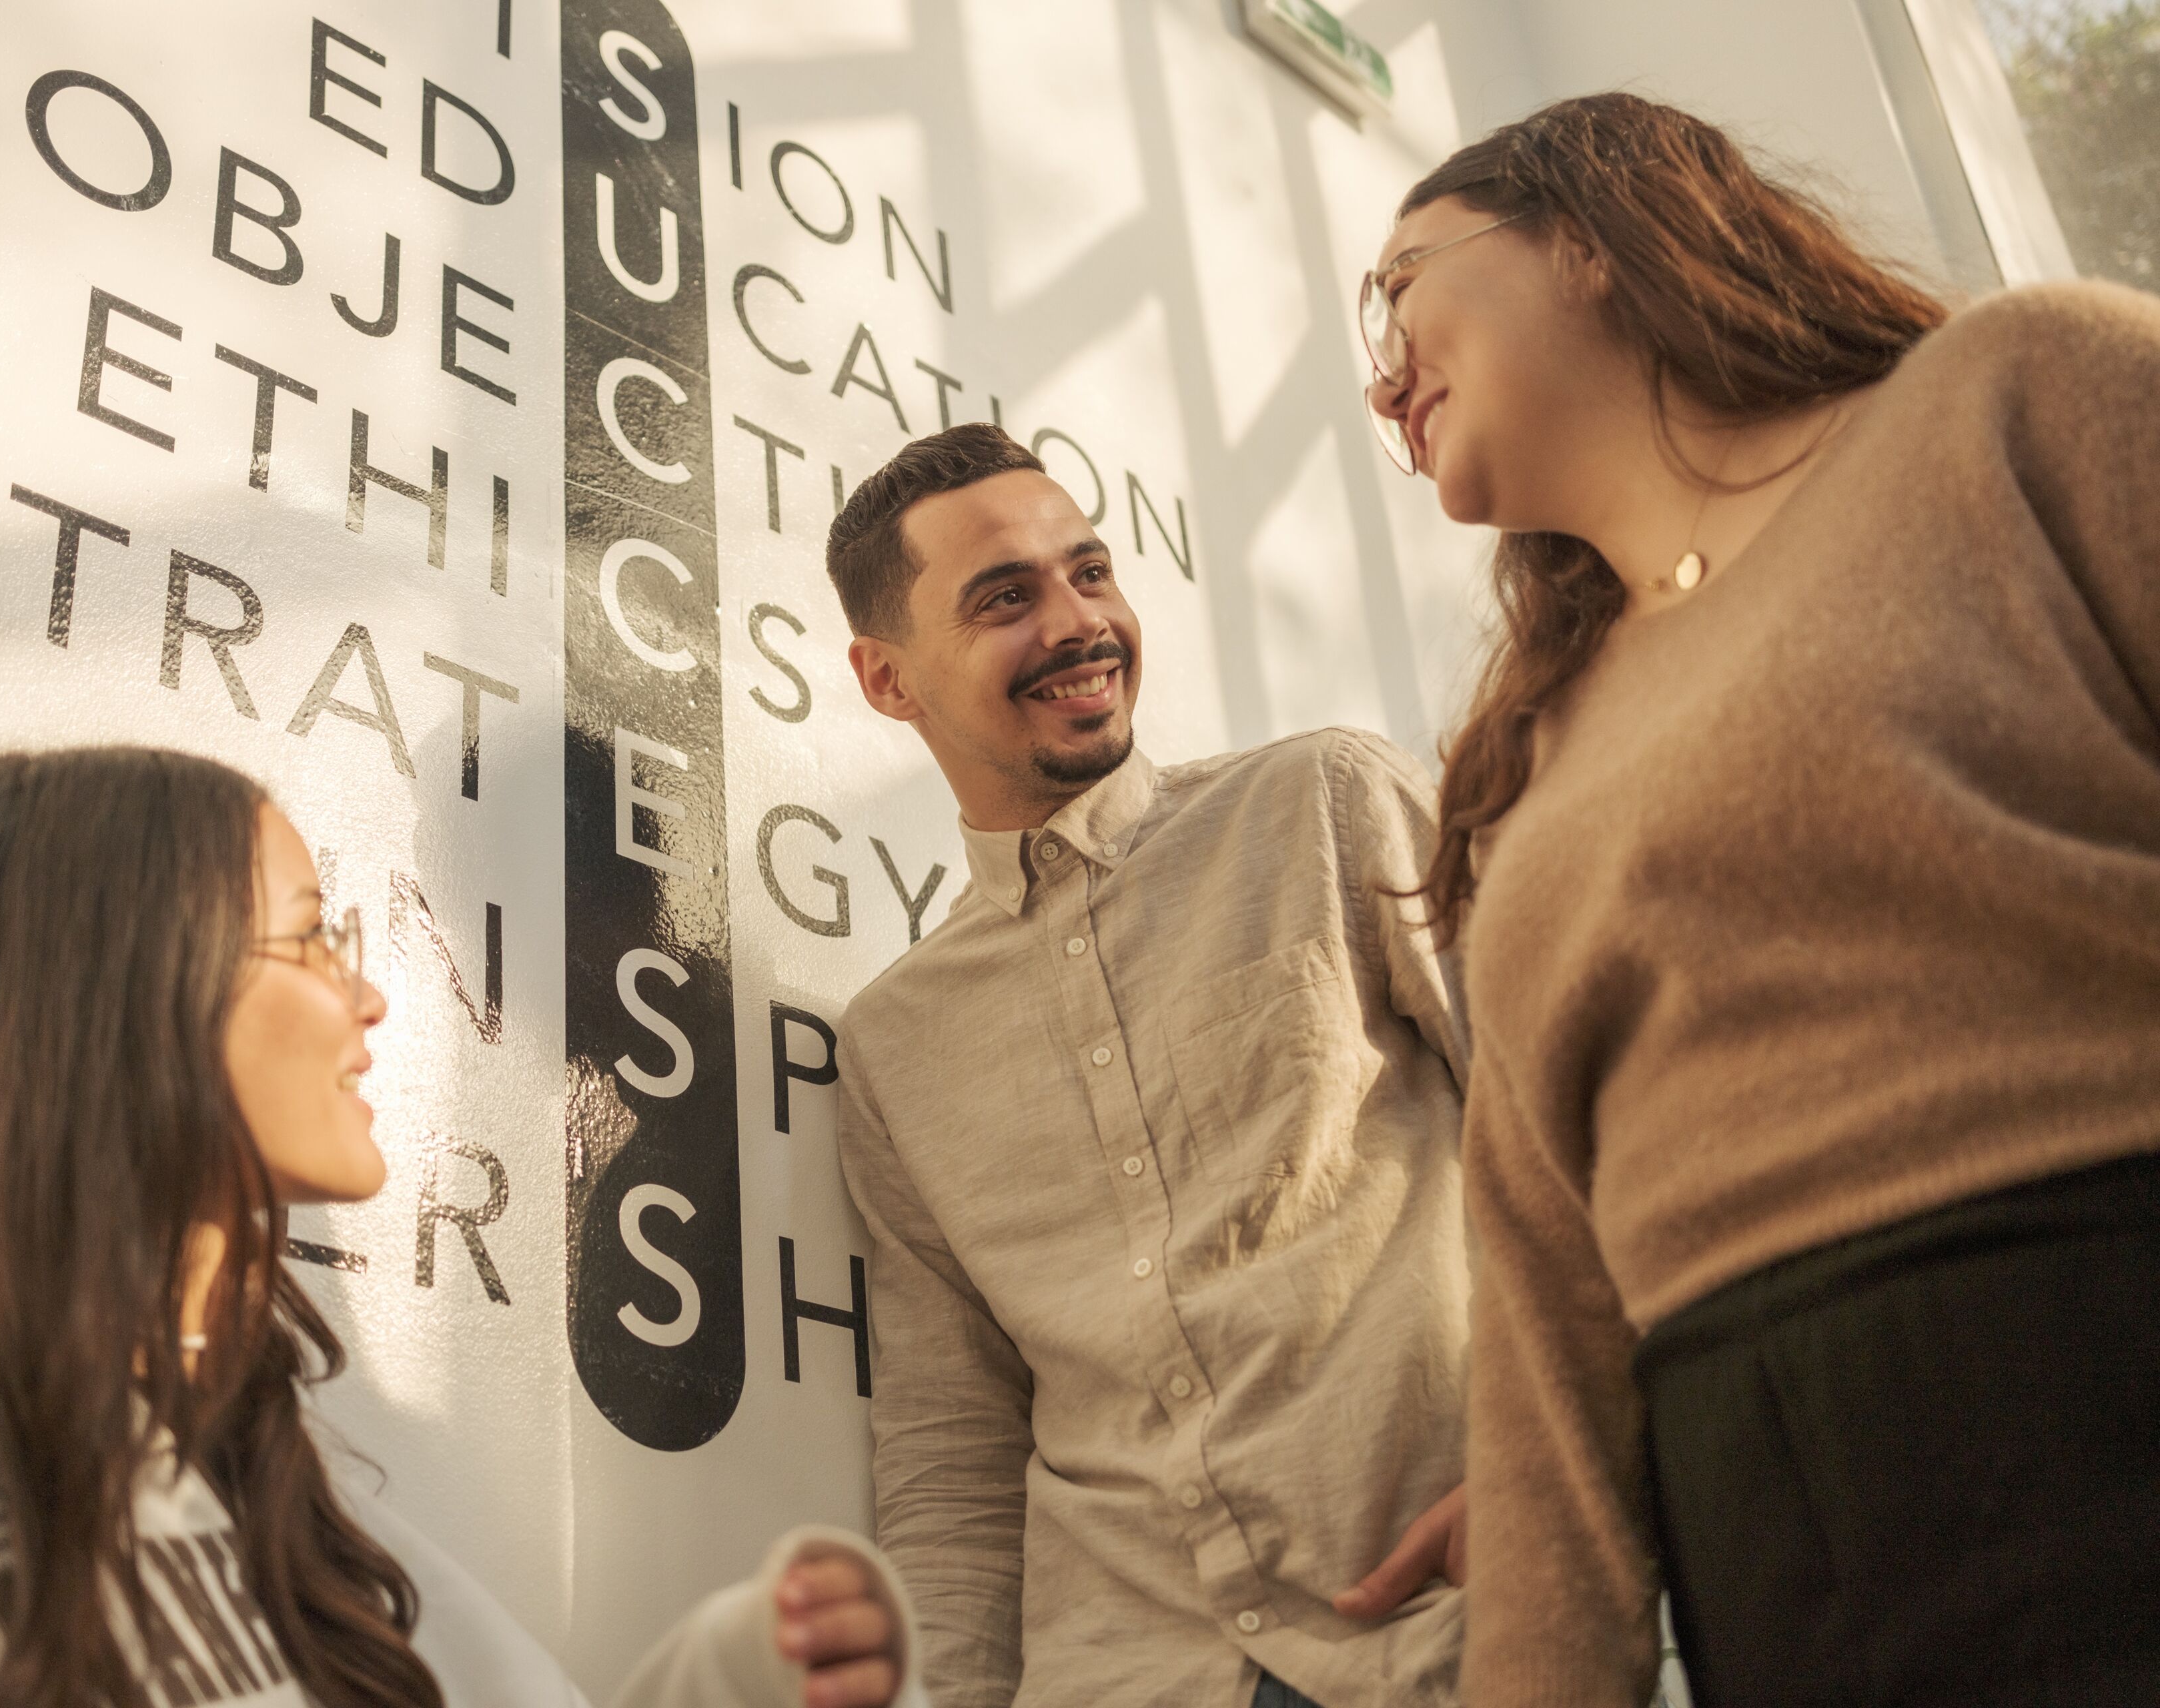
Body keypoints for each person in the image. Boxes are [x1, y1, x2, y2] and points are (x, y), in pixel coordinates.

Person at [1360, 92, 2160, 1708]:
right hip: (1777, 1534)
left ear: (1588, 232)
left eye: (1404, 288)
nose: (1384, 378)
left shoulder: (2029, 387)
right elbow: (1543, 1340)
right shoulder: (1525, 763)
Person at [0, 747, 923, 1708]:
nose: (369, 1001)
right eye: (308, 941)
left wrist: (745, 1669)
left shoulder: (261, 1463)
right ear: (121, 989)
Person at [824, 424, 1474, 1708]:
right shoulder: (896, 1045)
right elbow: (953, 1451)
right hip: (1127, 1678)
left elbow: (1584, 1137)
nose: (1078, 623)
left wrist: (1565, 1472)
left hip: (1456, 1639)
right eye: (1007, 598)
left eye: (1091, 572)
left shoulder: (1324, 806)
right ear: (889, 680)